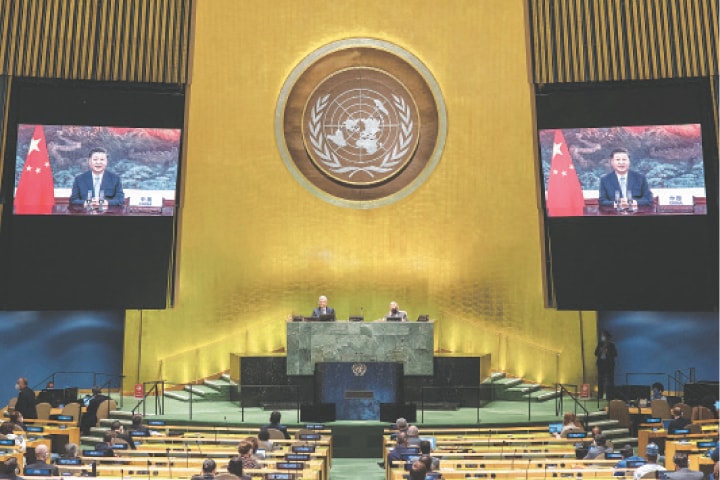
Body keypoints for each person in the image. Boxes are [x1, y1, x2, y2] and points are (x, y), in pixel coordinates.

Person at [594, 330, 617, 400]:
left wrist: (608, 352)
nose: (602, 337)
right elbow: (595, 353)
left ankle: (609, 396)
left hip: (609, 365)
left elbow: (615, 354)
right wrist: (600, 351)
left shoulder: (612, 345)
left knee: (610, 381)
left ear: (607, 337)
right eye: (602, 336)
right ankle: (600, 395)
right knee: (600, 380)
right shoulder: (600, 344)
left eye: (603, 336)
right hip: (601, 364)